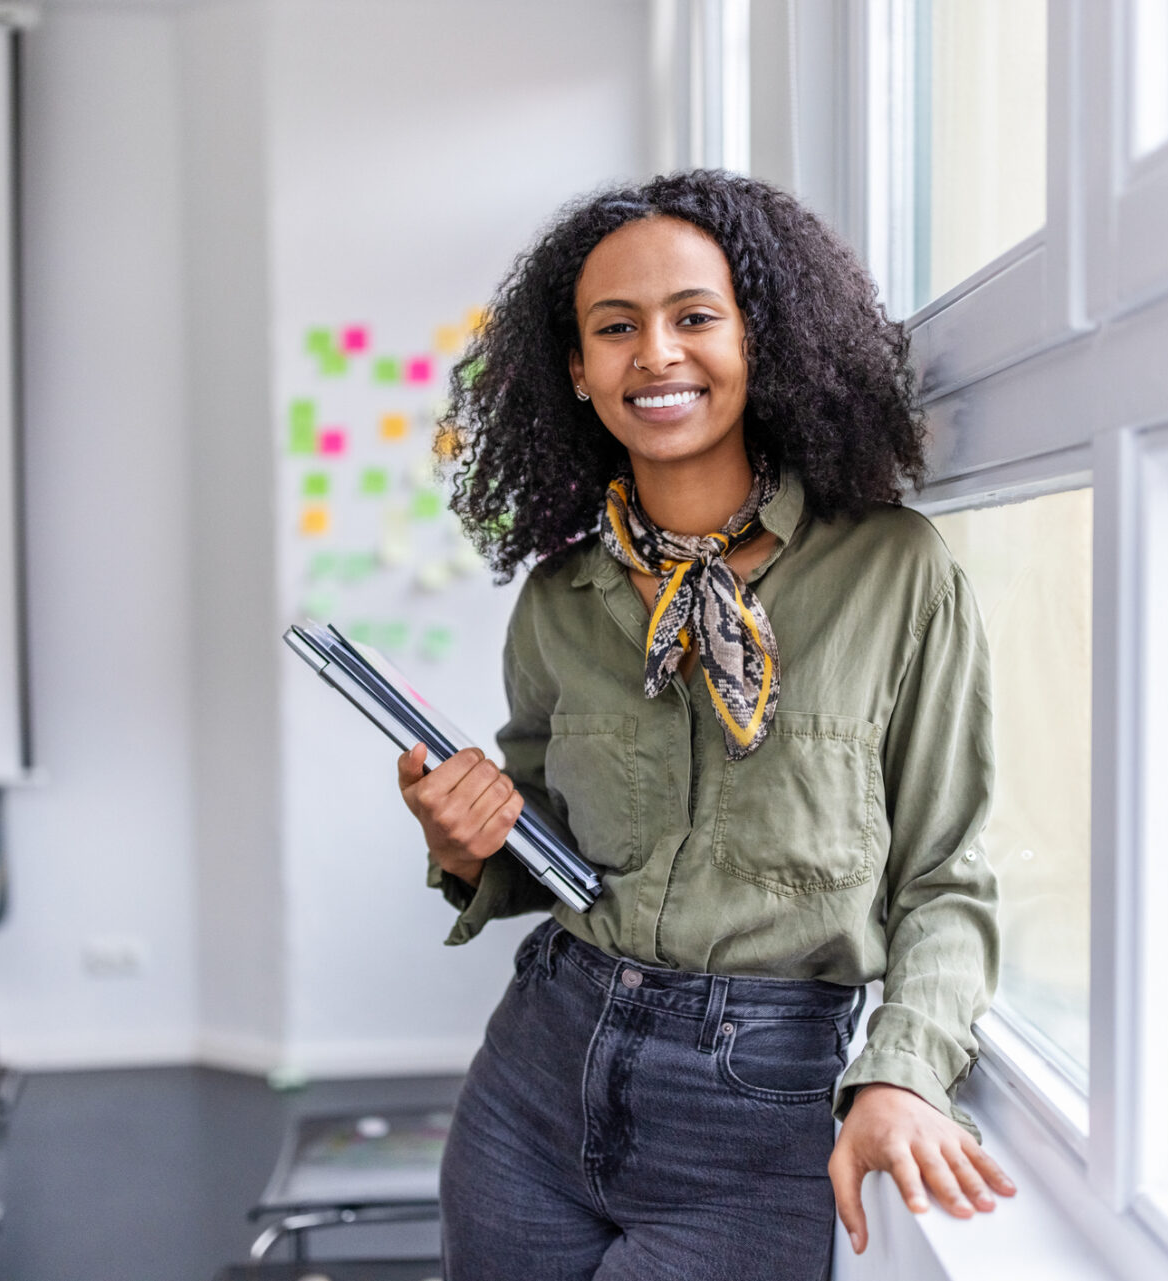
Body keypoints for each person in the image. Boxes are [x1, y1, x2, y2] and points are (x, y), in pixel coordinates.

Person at [396, 169, 1013, 1281]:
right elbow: (546, 854)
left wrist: (904, 1070)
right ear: (577, 371)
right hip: (533, 1084)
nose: (657, 355)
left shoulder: (894, 573)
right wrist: (464, 841)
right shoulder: (560, 600)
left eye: (694, 318)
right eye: (616, 328)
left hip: (759, 1125)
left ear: (758, 342)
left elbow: (946, 878)